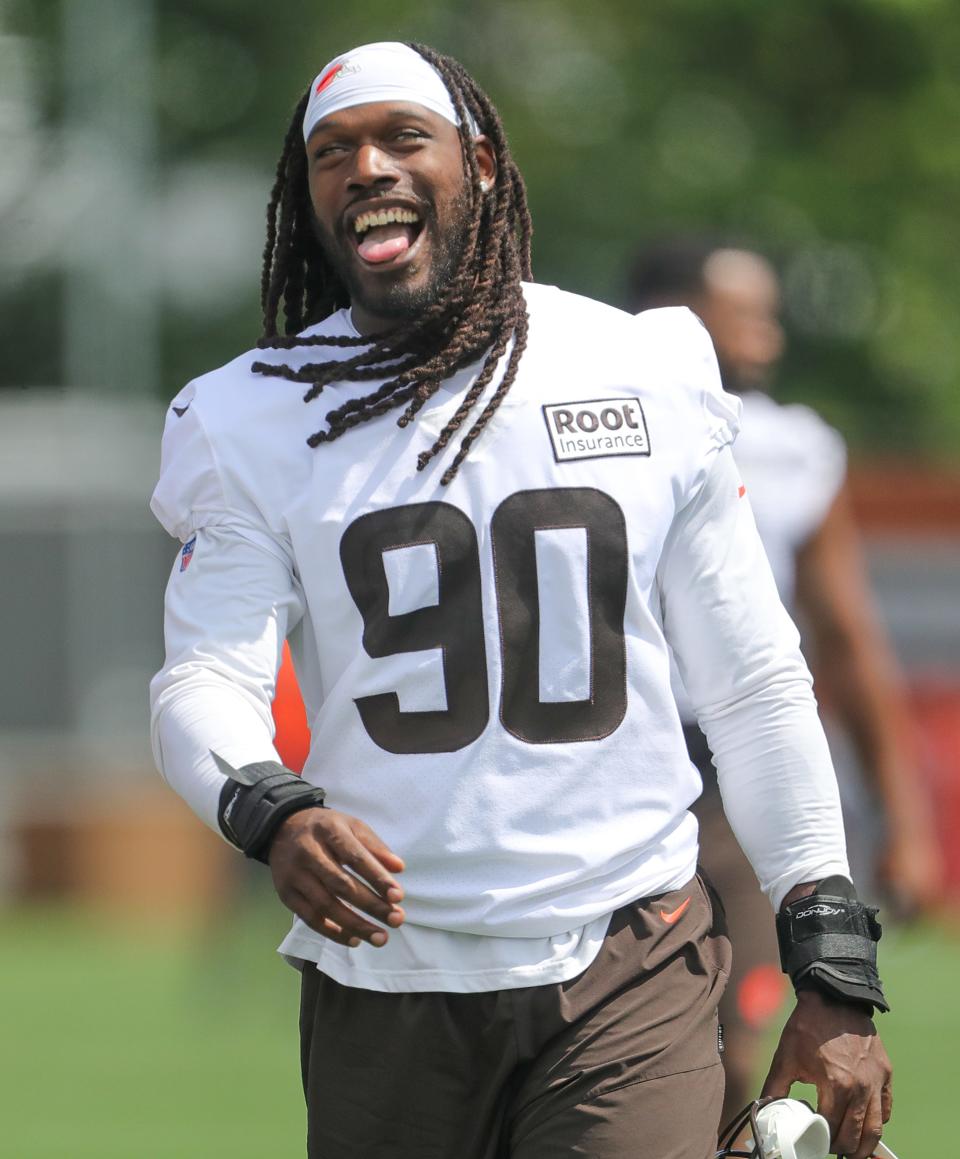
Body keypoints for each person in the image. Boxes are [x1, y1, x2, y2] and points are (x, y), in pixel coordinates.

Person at [149, 43, 892, 1159]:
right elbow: (205, 675)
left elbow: (753, 682)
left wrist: (834, 963)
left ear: (483, 164)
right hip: (387, 975)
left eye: (405, 137)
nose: (367, 167)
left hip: (626, 951)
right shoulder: (254, 415)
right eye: (333, 152)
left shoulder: (639, 366)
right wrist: (271, 806)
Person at [628, 239, 939, 1125]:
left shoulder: (795, 449)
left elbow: (844, 638)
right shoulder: (583, 421)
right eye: (741, 305)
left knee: (739, 1037)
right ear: (671, 315)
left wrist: (903, 816)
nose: (766, 325)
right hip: (616, 759)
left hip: (732, 777)